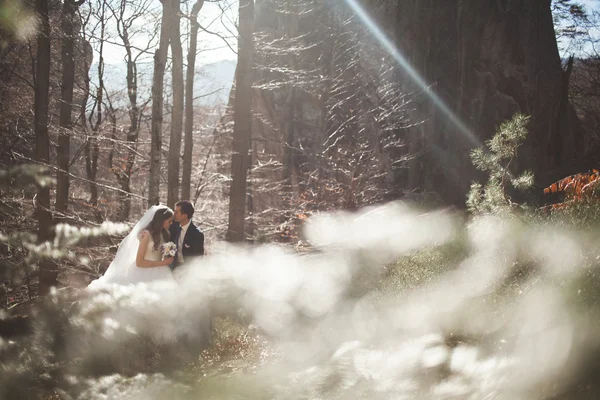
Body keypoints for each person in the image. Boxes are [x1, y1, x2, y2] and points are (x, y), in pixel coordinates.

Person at [87, 205, 177, 289]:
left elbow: (162, 254)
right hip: (144, 271)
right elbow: (139, 262)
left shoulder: (166, 234)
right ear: (161, 220)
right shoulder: (146, 235)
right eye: (169, 221)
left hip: (161, 271)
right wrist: (162, 263)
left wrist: (169, 253)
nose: (171, 223)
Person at [169, 200, 204, 271]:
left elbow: (197, 258)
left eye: (176, 212)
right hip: (170, 266)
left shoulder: (197, 234)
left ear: (184, 216)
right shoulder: (171, 225)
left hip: (187, 269)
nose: (173, 214)